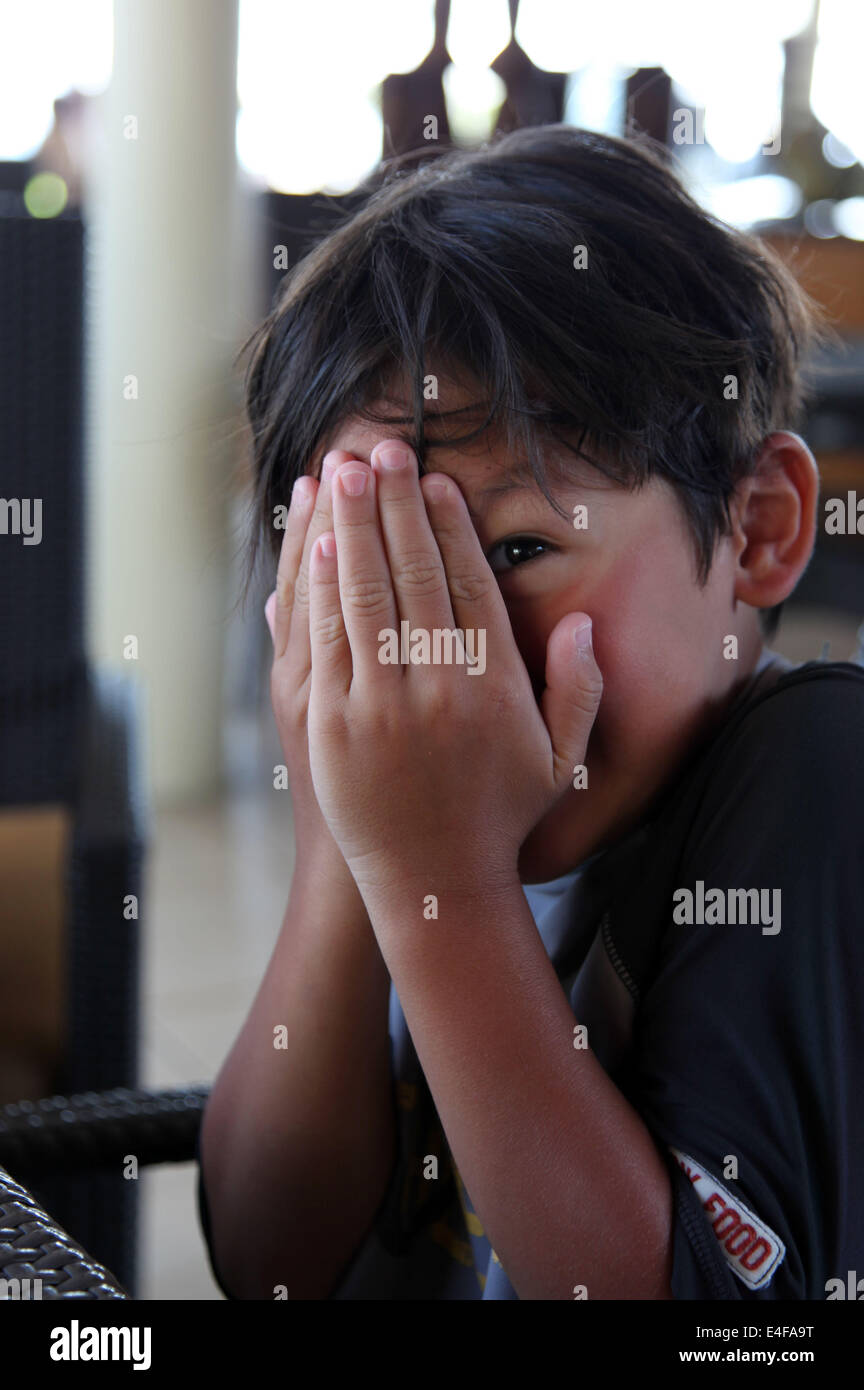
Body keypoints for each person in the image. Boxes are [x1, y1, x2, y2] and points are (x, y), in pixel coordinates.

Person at [196, 125, 864, 1300]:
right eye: (376, 569)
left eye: (515, 547)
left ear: (759, 526)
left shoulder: (811, 774)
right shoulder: (398, 792)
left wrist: (439, 876)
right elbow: (268, 1265)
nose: (444, 658)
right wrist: (346, 858)